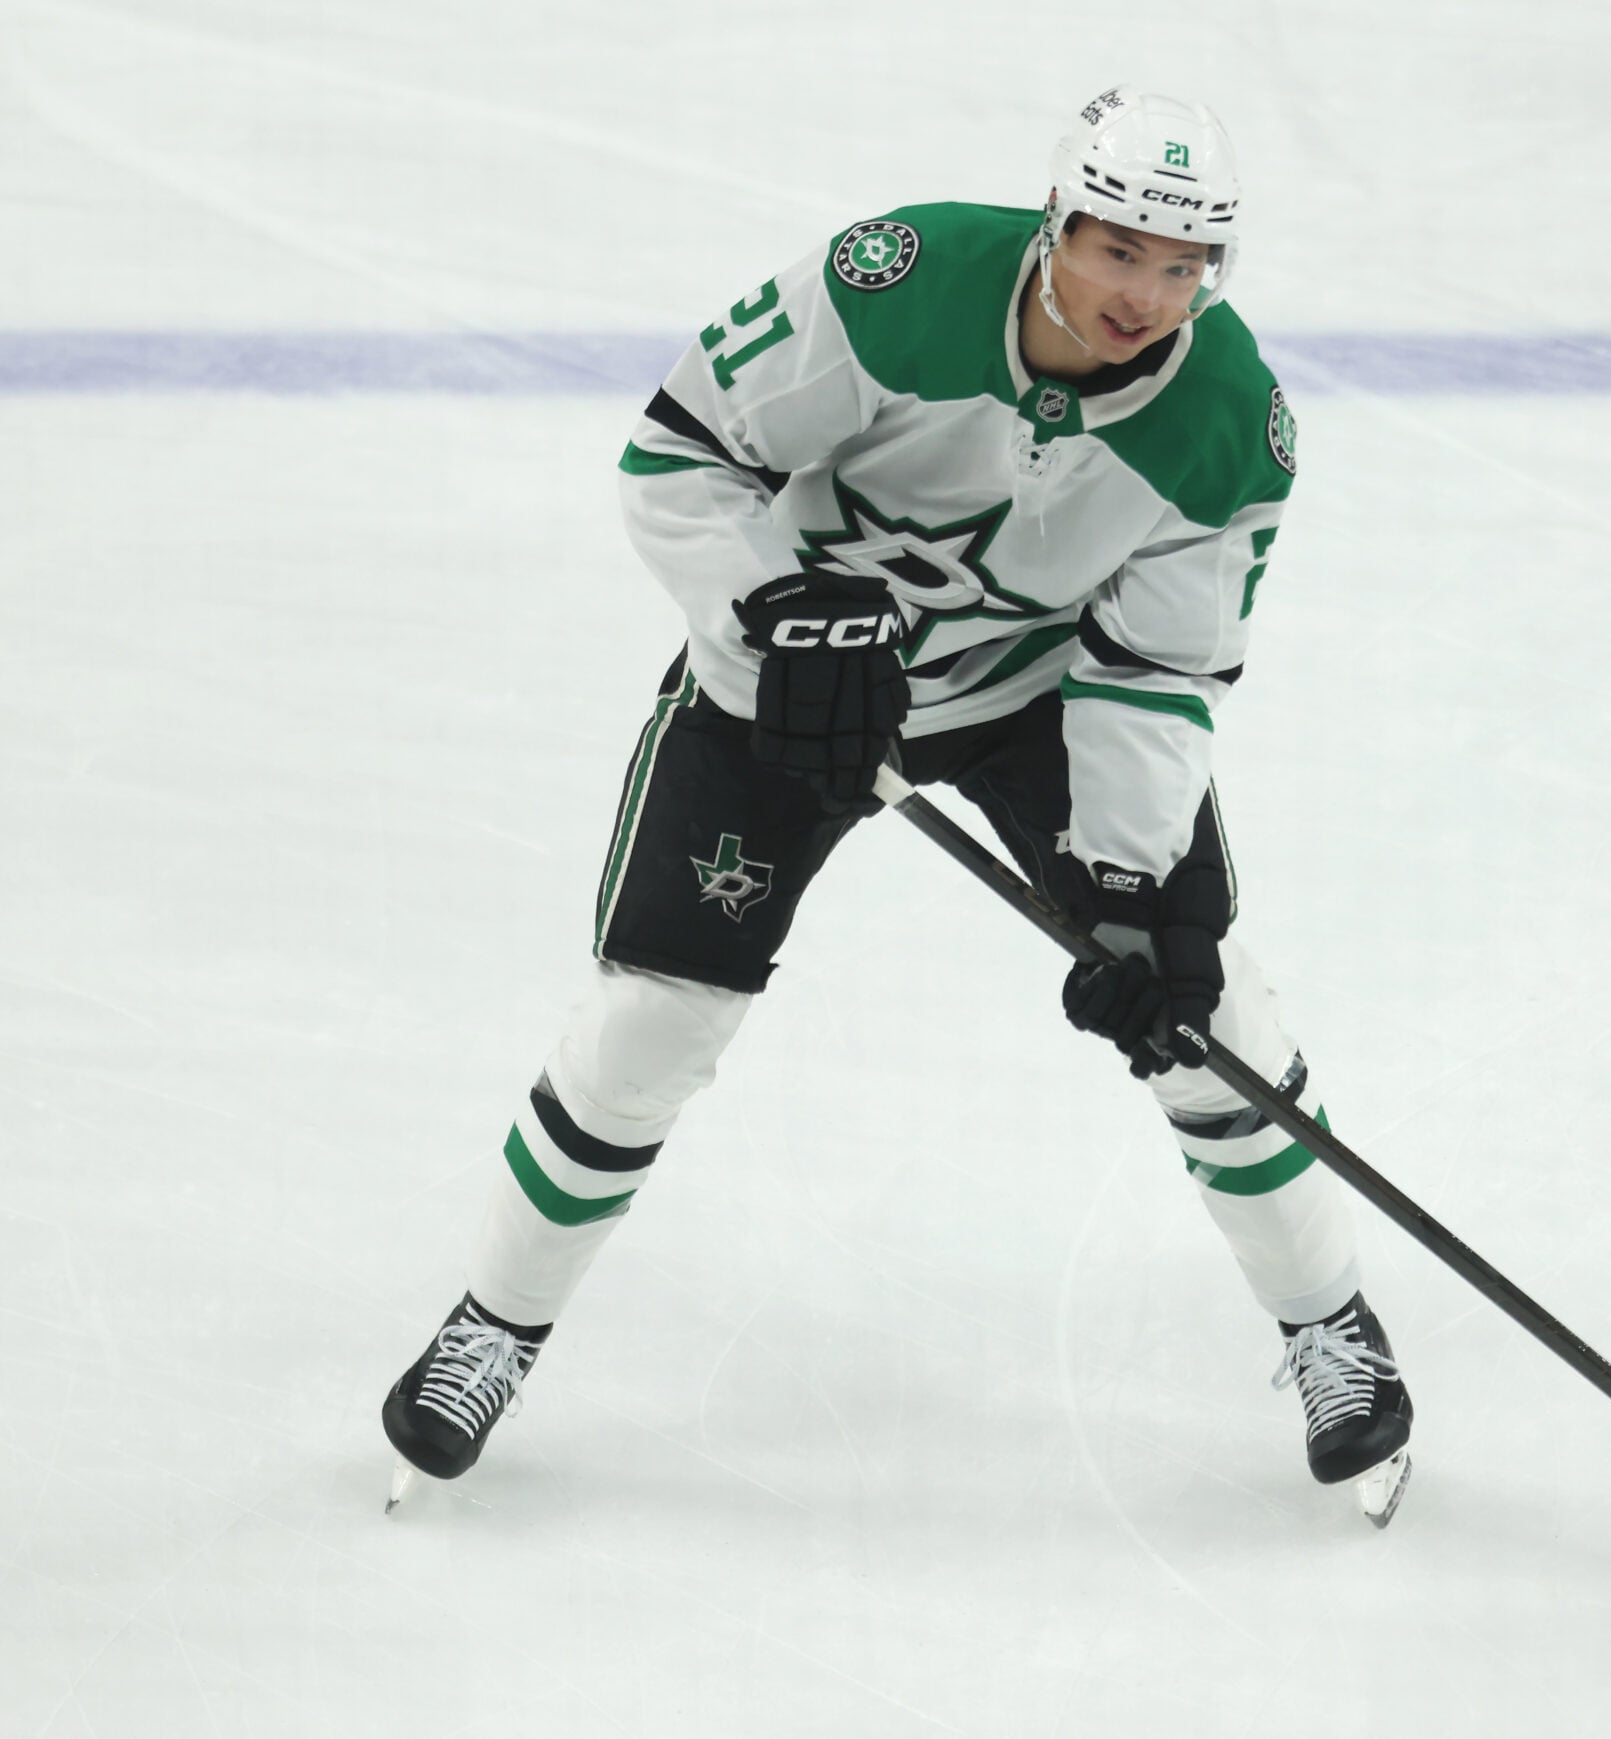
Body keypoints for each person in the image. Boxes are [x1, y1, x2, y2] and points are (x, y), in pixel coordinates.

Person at [380, 87, 1414, 1525]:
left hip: (1037, 700)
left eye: (1187, 269)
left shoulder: (1231, 422)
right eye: (1121, 251)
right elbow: (681, 454)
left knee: (1206, 1011)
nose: (1149, 296)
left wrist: (1118, 885)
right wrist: (774, 621)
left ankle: (1332, 1332)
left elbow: (1164, 664)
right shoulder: (900, 282)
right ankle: (493, 1324)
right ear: (1058, 222)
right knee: (653, 1021)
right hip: (786, 694)